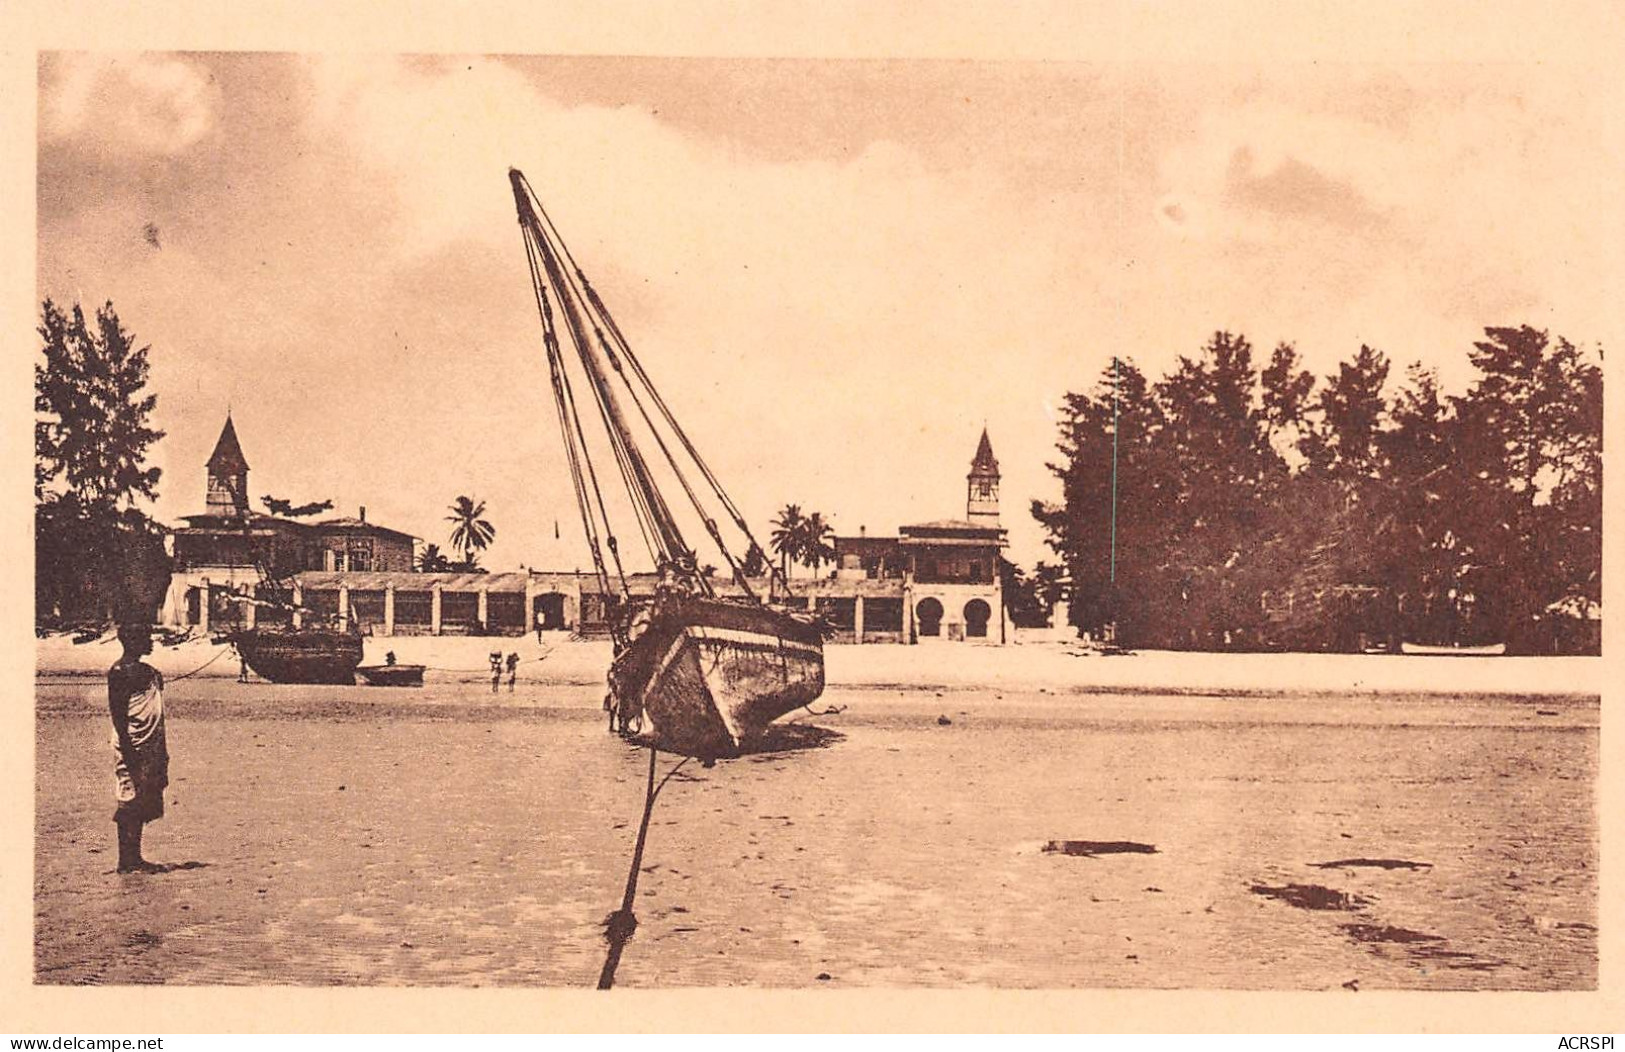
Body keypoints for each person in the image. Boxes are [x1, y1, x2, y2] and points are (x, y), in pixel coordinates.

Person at [109, 623, 169, 874]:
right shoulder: (119, 672)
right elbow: (118, 715)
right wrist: (128, 748)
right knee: (130, 795)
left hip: (152, 742)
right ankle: (126, 860)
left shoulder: (148, 671)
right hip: (131, 742)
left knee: (145, 794)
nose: (151, 641)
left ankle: (136, 857)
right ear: (131, 641)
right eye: (146, 637)